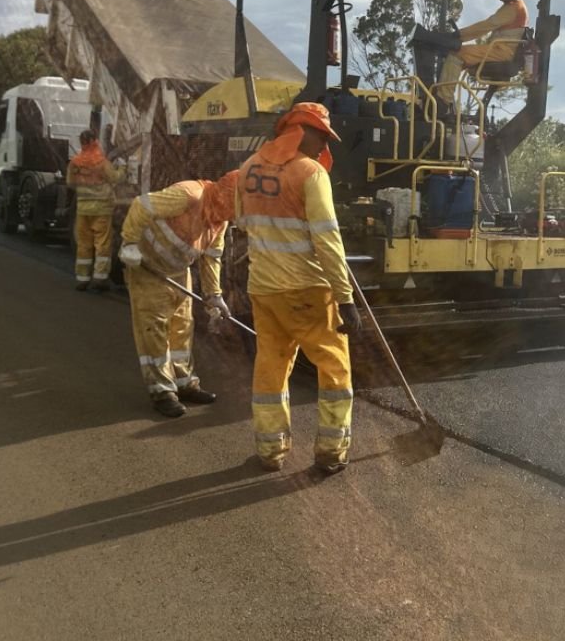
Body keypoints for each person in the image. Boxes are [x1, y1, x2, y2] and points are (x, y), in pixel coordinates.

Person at [236, 102, 362, 474]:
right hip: (308, 290)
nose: (324, 143)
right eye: (322, 135)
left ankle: (270, 451)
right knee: (335, 368)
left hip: (263, 289)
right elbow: (328, 241)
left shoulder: (247, 169)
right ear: (303, 132)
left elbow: (243, 222)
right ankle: (330, 452)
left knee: (270, 367)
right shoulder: (310, 174)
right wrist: (345, 298)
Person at [117, 171, 240, 418]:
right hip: (148, 268)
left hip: (178, 271)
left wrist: (213, 295)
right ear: (229, 196)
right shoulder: (189, 195)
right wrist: (129, 243)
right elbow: (142, 205)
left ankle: (185, 383)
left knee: (183, 328)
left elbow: (211, 258)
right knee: (154, 330)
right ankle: (162, 391)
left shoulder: (220, 218)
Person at [435, 0, 530, 111]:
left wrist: (459, 35)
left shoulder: (512, 8)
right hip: (500, 50)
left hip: (502, 52)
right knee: (462, 56)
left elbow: (487, 26)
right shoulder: (513, 6)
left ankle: (442, 102)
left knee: (457, 54)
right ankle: (445, 99)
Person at [67, 129, 125, 292]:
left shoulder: (75, 163)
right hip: (101, 209)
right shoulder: (101, 162)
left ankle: (82, 279)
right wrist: (124, 169)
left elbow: (70, 184)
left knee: (84, 243)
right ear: (94, 141)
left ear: (81, 142)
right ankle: (100, 278)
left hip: (83, 209)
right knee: (102, 244)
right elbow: (115, 178)